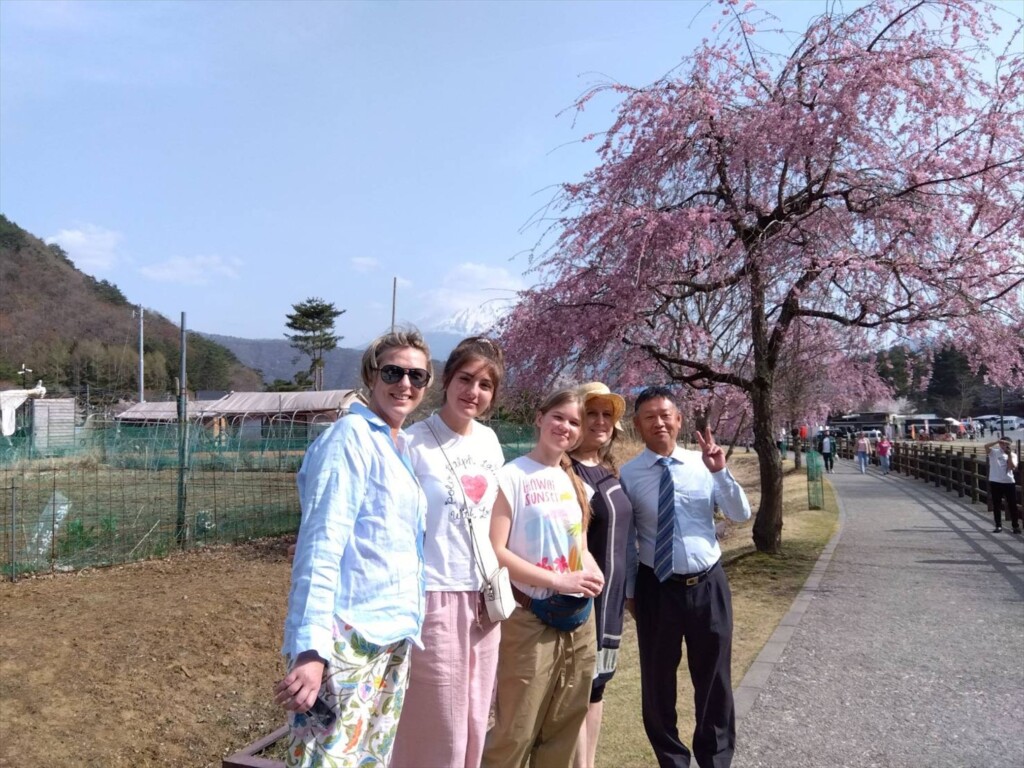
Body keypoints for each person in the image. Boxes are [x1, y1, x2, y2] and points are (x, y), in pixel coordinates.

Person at [274, 329, 432, 768]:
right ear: (371, 375)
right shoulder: (351, 438)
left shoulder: (396, 445)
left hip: (392, 633)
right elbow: (320, 546)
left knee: (369, 760)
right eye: (394, 372)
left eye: (417, 376)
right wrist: (310, 650)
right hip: (347, 635)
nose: (405, 384)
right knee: (328, 760)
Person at [620, 386, 752, 768]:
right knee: (658, 684)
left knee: (714, 681)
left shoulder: (704, 464)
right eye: (649, 416)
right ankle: (672, 760)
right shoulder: (629, 475)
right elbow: (629, 542)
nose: (659, 422)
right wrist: (630, 593)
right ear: (637, 425)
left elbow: (740, 515)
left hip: (708, 584)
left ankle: (715, 759)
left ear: (678, 420)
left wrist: (721, 473)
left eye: (665, 414)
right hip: (656, 588)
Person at [392, 337, 506, 768]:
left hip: (484, 600)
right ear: (447, 379)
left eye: (485, 385)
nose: (472, 392)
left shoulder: (490, 443)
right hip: (434, 596)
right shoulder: (414, 443)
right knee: (438, 722)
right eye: (465, 379)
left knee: (477, 714)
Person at [482, 388, 605, 768]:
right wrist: (557, 582)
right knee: (515, 730)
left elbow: (578, 546)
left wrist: (591, 568)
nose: (565, 427)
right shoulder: (511, 476)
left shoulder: (577, 483)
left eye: (574, 422)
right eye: (558, 417)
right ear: (539, 418)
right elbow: (496, 550)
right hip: (529, 617)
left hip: (579, 619)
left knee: (565, 726)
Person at [569, 382, 633, 768]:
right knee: (578, 693)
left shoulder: (609, 471)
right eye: (591, 412)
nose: (600, 421)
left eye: (606, 415)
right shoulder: (565, 470)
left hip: (612, 607)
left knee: (597, 691)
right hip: (582, 605)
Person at [985, 437, 1020, 534]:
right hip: (995, 481)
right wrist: (997, 441)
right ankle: (998, 525)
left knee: (1012, 505)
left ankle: (1015, 526)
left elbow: (1011, 467)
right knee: (997, 504)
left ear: (1010, 445)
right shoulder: (994, 452)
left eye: (1006, 444)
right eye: (1002, 443)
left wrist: (1008, 455)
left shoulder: (1013, 455)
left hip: (1009, 482)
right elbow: (986, 446)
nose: (1004, 445)